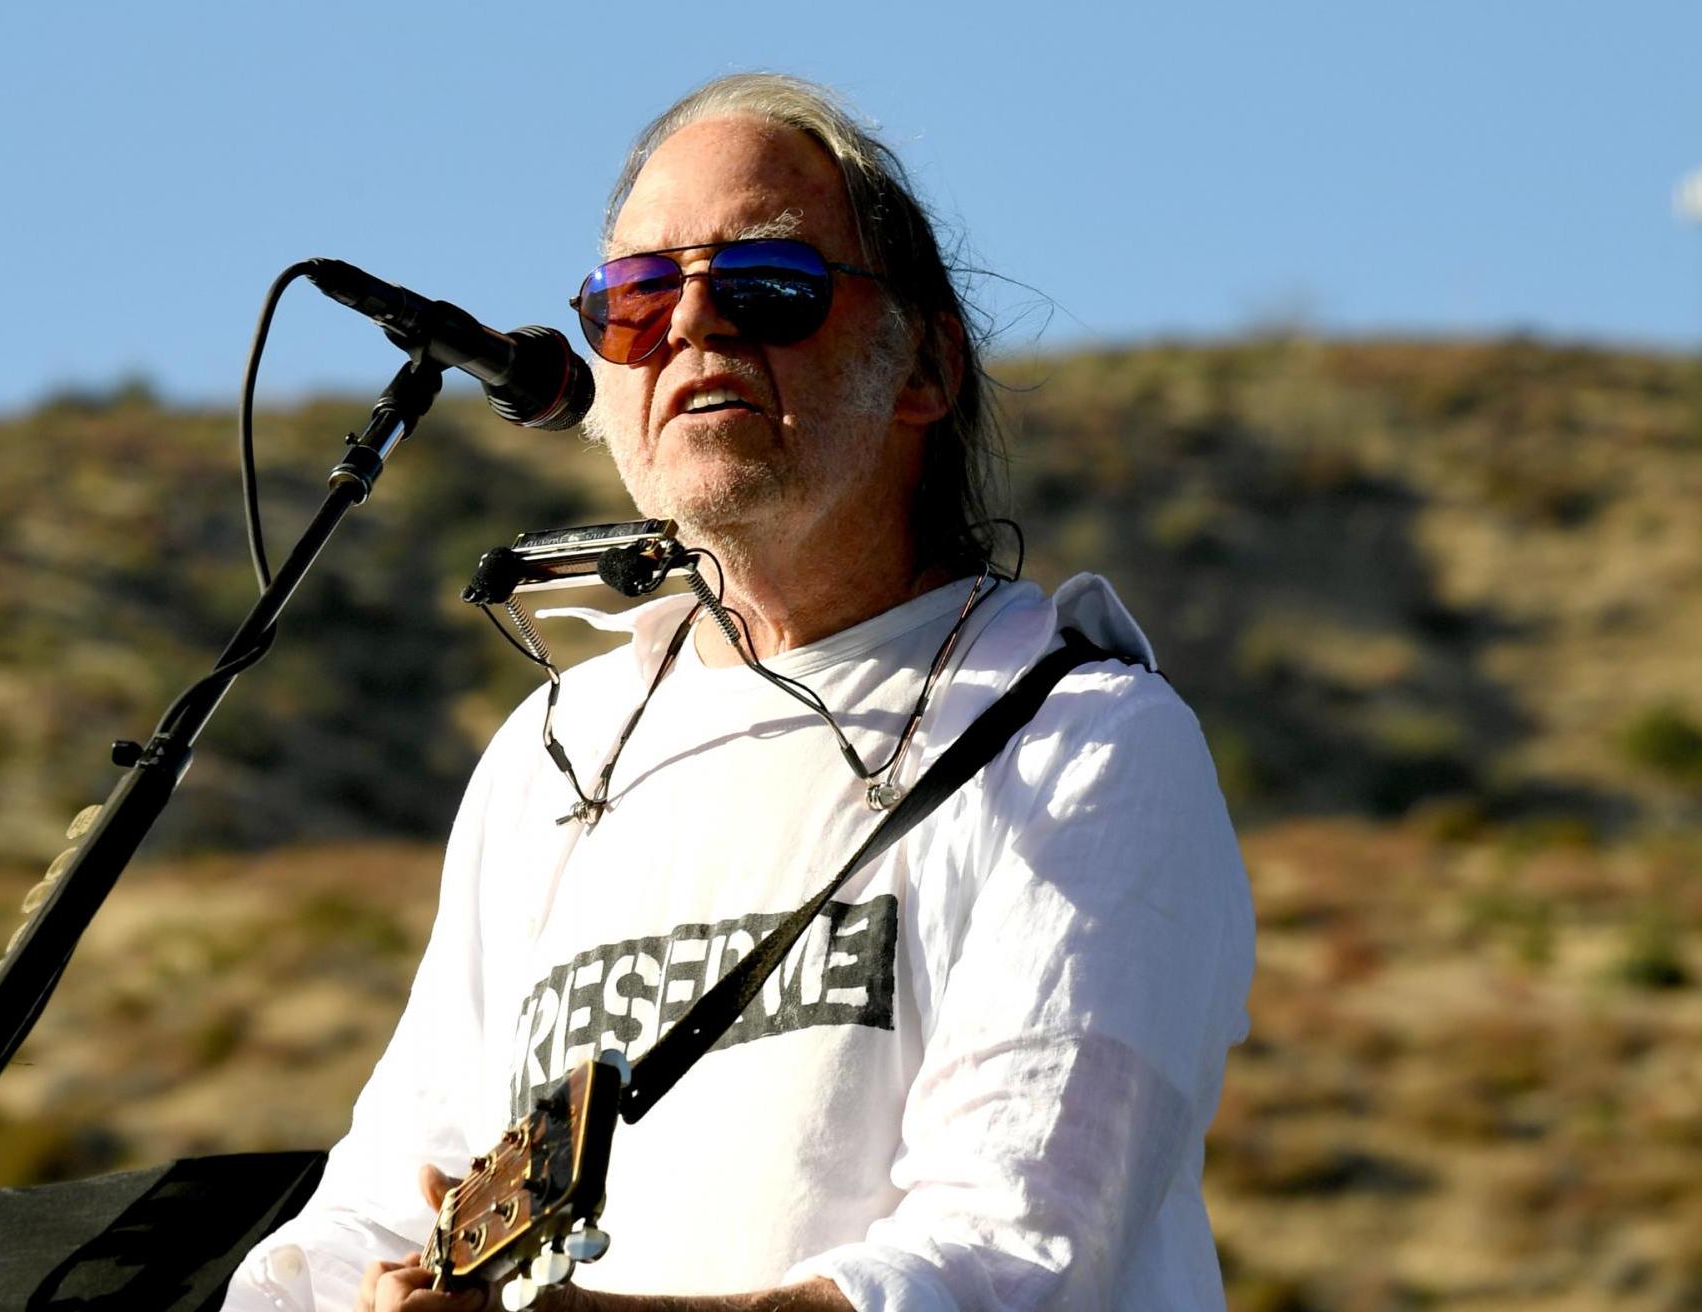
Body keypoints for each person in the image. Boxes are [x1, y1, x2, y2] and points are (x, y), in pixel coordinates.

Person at [228, 73, 1254, 1312]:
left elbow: (1009, 1258)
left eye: (770, 285)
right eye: (640, 296)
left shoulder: (1080, 738)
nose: (695, 328)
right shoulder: (554, 753)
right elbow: (380, 1207)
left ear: (923, 364)